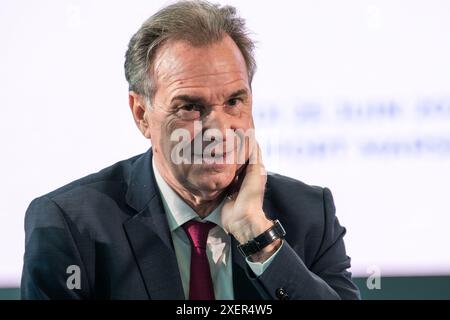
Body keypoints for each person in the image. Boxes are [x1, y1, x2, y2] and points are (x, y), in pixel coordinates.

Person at [21, 0, 360, 300]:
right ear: (141, 115)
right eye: (190, 107)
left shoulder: (310, 215)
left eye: (234, 101)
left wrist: (259, 237)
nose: (218, 129)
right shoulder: (70, 225)